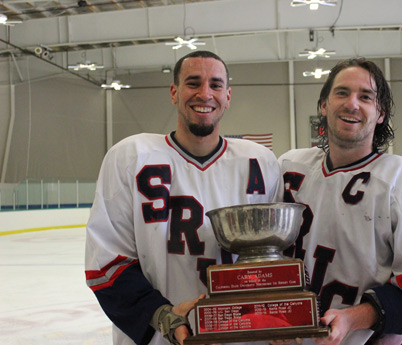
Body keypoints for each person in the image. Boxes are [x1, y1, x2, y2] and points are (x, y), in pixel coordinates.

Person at [85, 50, 283, 345]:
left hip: (242, 335)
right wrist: (161, 315)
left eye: (215, 85)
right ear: (174, 92)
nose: (205, 94)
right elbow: (106, 263)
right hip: (160, 338)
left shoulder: (261, 162)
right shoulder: (130, 157)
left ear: (228, 96)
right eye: (193, 83)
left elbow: (276, 258)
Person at [278, 58, 402, 345]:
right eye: (341, 93)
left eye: (365, 97)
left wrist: (352, 318)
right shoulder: (288, 166)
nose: (352, 104)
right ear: (323, 105)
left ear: (381, 113)